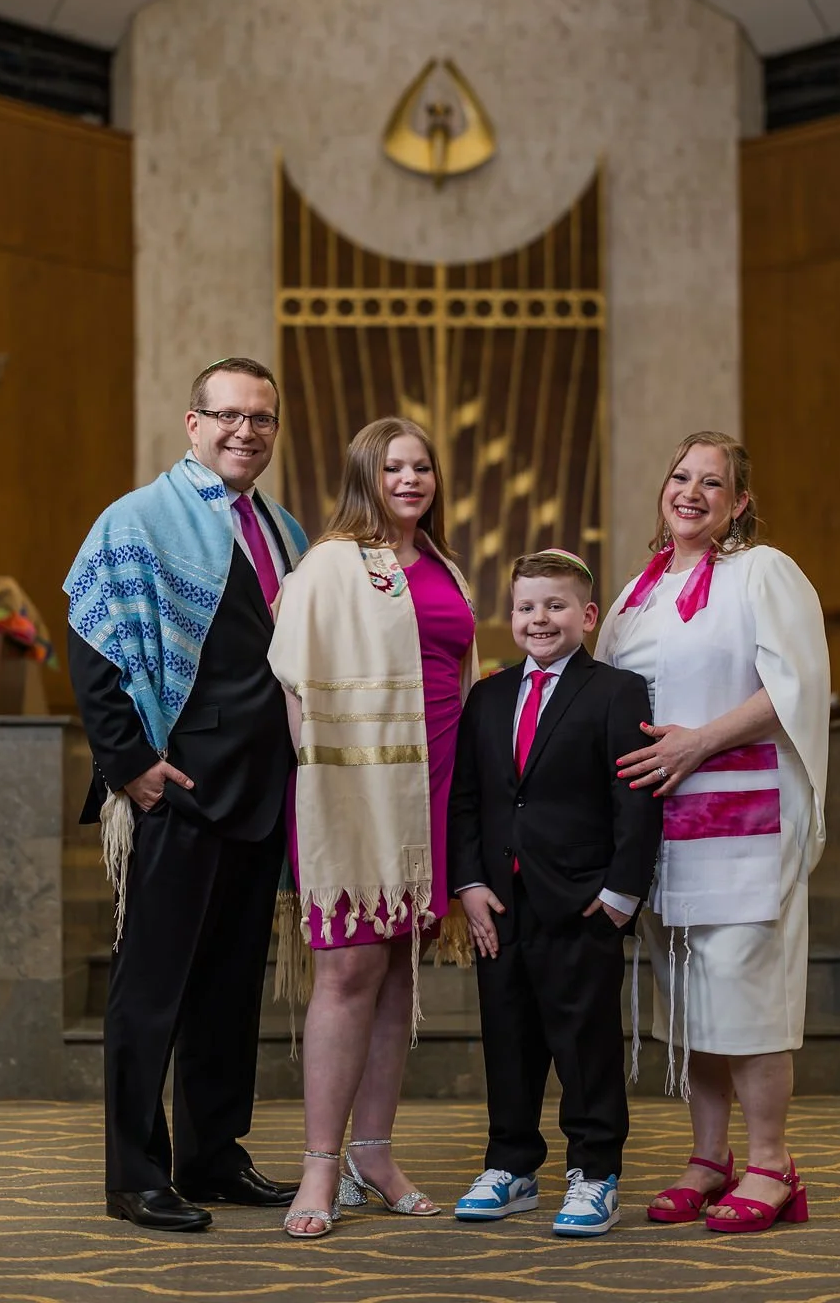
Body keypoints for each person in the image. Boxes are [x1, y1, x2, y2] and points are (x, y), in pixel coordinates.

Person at [65, 358, 308, 1232]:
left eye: (263, 419)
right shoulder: (137, 520)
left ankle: (212, 1156)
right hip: (177, 788)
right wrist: (128, 761)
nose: (247, 432)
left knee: (228, 990)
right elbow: (92, 643)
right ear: (193, 423)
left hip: (262, 792)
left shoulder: (284, 531)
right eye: (230, 416)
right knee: (150, 991)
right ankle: (135, 1173)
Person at [595, 431, 830, 1235]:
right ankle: (708, 1157)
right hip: (661, 823)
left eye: (713, 482)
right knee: (691, 996)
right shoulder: (637, 592)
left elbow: (794, 689)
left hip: (742, 816)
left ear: (740, 502)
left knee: (745, 991)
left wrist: (698, 740)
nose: (691, 492)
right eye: (681, 476)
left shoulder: (762, 573)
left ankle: (772, 1163)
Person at [268, 416, 477, 1238]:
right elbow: (292, 676)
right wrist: (324, 781)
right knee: (348, 973)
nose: (411, 479)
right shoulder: (330, 563)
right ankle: (320, 1166)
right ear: (366, 475)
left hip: (437, 779)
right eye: (394, 467)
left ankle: (375, 1155)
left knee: (398, 974)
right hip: (356, 786)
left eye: (422, 466)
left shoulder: (447, 567)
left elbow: (464, 670)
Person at [449, 549, 662, 1238]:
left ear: (588, 615)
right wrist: (471, 883)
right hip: (501, 904)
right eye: (526, 607)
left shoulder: (616, 691)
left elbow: (633, 798)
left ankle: (595, 1172)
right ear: (510, 617)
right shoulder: (486, 696)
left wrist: (623, 892)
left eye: (556, 605)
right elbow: (469, 800)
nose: (539, 618)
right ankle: (510, 1166)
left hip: (582, 900)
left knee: (584, 1041)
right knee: (507, 1037)